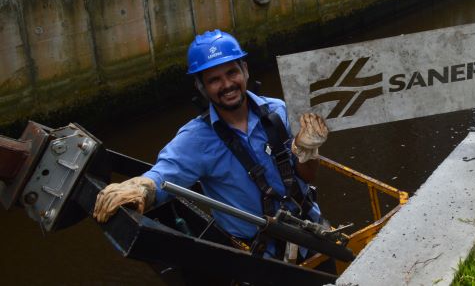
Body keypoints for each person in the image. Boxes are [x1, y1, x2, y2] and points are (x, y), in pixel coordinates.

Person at [93, 30, 329, 260]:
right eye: (214, 79)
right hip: (264, 261)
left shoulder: (278, 112)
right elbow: (162, 176)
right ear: (201, 87)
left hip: (315, 239)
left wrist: (309, 151)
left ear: (245, 70)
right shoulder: (195, 140)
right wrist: (139, 188)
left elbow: (306, 177)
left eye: (231, 72)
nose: (227, 84)